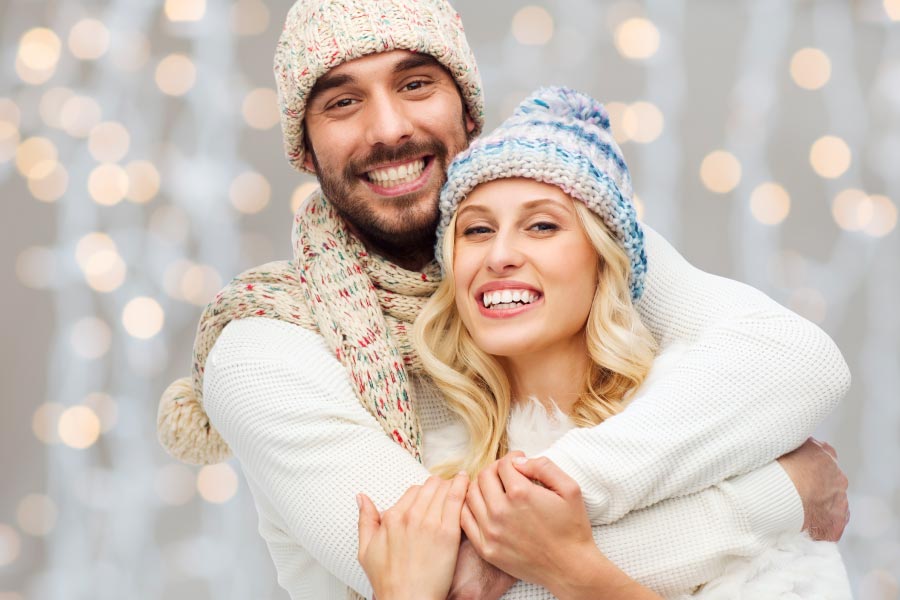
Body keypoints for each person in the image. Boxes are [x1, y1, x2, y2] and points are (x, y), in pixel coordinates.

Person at [155, 1, 851, 598]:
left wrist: (549, 502)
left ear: (467, 108)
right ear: (305, 148)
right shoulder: (265, 347)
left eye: (416, 83)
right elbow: (462, 577)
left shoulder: (563, 240)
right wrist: (779, 495)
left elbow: (798, 362)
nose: (388, 127)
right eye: (342, 101)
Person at [355, 87, 851, 599]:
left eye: (542, 225)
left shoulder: (706, 431)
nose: (500, 254)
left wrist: (577, 569)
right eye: (477, 230)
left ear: (603, 262)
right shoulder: (424, 465)